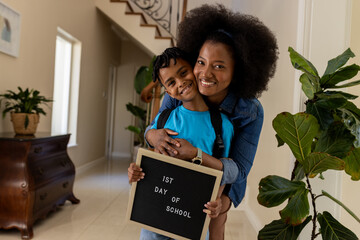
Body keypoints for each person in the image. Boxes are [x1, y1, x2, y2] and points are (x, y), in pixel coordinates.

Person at [144, 4, 278, 240]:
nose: (205, 74)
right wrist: (152, 136)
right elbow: (155, 128)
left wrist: (222, 203)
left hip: (219, 178)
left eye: (219, 66)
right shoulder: (180, 88)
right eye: (201, 62)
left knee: (216, 217)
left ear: (237, 71)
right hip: (176, 184)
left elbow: (239, 170)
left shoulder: (249, 111)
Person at [128, 47, 234, 240]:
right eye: (171, 82)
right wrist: (135, 173)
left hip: (193, 221)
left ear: (194, 69)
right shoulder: (163, 120)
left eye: (183, 73)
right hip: (154, 221)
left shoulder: (222, 126)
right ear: (168, 92)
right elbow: (152, 161)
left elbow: (223, 171)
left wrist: (217, 200)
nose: (181, 83)